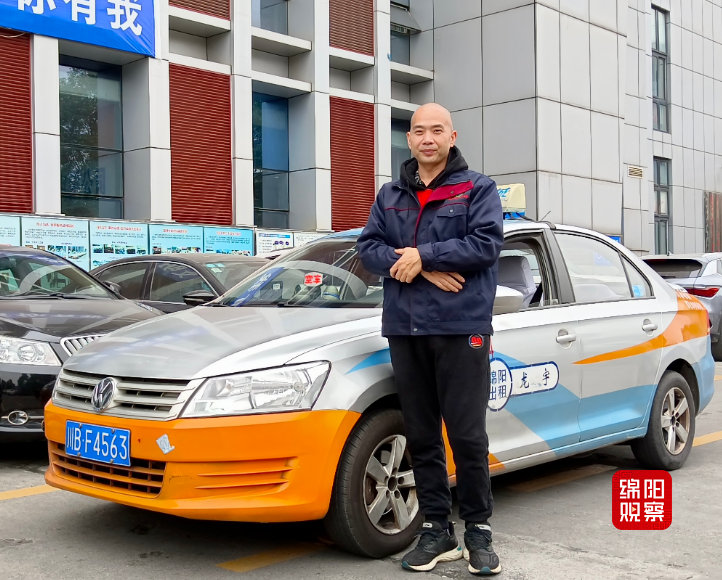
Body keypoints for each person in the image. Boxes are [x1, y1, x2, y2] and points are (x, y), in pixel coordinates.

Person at [357, 103, 503, 576]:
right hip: (406, 328)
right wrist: (423, 268)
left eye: (436, 130)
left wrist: (424, 255)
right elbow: (368, 249)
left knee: (466, 434)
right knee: (421, 434)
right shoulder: (390, 194)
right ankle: (437, 528)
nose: (427, 138)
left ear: (451, 136)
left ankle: (478, 529)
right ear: (409, 138)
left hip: (461, 328)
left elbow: (486, 245)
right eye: (419, 131)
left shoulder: (477, 189)